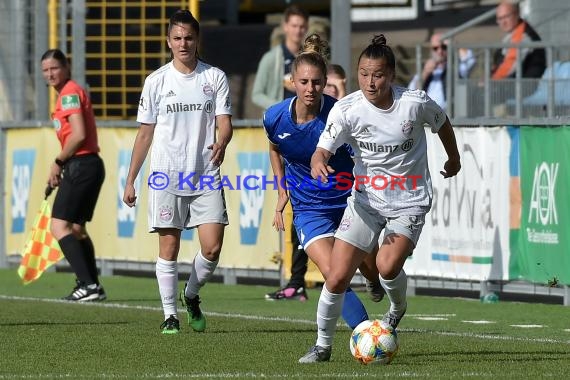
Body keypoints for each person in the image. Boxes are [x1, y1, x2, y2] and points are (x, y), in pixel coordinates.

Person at [299, 34, 461, 363]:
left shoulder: (414, 103)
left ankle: (397, 309)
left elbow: (442, 123)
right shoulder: (347, 110)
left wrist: (453, 158)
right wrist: (318, 162)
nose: (370, 82)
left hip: (409, 201)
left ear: (391, 75)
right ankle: (322, 346)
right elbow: (322, 149)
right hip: (365, 202)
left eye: (377, 75)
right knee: (337, 275)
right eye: (363, 74)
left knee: (386, 268)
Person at [122, 10, 233, 334]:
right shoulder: (156, 81)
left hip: (205, 173)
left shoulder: (214, 78)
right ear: (169, 42)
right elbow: (145, 133)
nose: (183, 43)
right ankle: (170, 314)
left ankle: (191, 294)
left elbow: (224, 122)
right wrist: (131, 180)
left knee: (211, 248)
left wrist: (222, 142)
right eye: (178, 38)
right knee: (168, 248)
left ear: (197, 40)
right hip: (166, 174)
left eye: (189, 37)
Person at [264, 34, 382, 330]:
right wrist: (282, 191)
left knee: (372, 266)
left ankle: (373, 279)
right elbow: (275, 147)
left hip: (349, 203)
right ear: (292, 81)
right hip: (309, 209)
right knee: (334, 274)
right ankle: (366, 333)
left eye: (317, 82)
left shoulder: (339, 113)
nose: (311, 89)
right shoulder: (274, 117)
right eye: (304, 82)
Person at [254, 4, 311, 301]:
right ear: (285, 27)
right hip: (288, 137)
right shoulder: (273, 59)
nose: (298, 30)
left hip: (312, 138)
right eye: (294, 25)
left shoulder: (311, 60)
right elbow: (256, 94)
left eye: (303, 26)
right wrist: (280, 107)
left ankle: (301, 279)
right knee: (295, 209)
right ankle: (296, 279)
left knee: (312, 210)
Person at [41, 49, 106, 302]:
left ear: (66, 67)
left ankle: (88, 285)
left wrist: (58, 162)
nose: (50, 74)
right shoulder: (67, 93)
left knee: (59, 226)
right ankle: (93, 286)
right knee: (77, 229)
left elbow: (78, 134)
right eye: (45, 70)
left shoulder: (69, 93)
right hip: (88, 165)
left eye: (54, 68)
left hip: (81, 164)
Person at [408, 32, 476, 111]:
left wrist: (454, 44)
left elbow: (470, 59)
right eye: (435, 48)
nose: (439, 51)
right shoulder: (426, 69)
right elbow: (411, 91)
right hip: (427, 115)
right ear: (431, 50)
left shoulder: (456, 67)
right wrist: (425, 73)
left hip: (448, 115)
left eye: (444, 47)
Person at [492, 1, 546, 79]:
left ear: (517, 14)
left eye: (506, 17)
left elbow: (510, 64)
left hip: (526, 86)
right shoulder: (514, 33)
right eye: (500, 18)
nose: (503, 22)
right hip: (518, 83)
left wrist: (492, 80)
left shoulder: (522, 35)